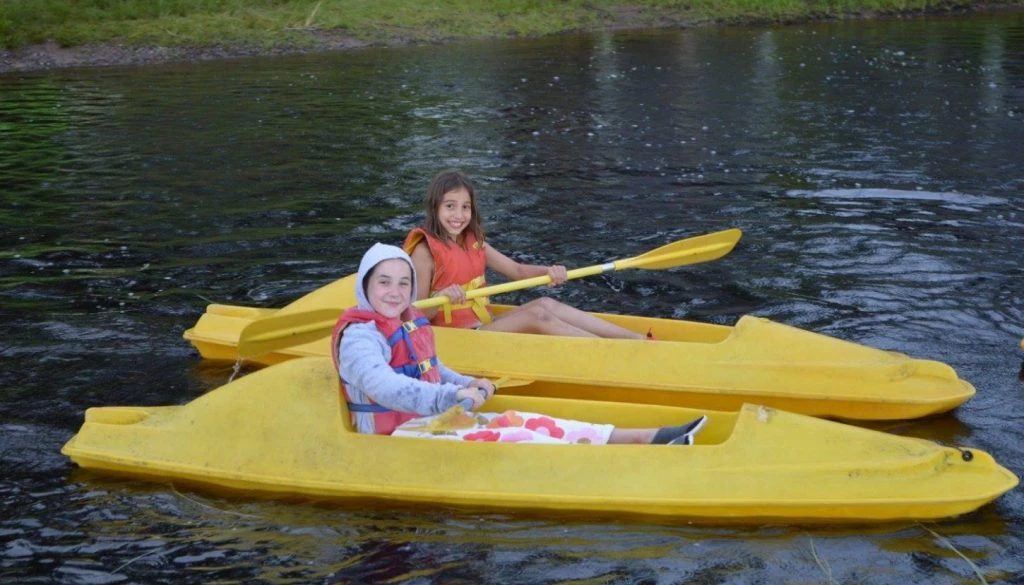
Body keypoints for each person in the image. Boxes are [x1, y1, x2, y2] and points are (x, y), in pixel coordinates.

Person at [332, 243, 707, 444]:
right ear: (365, 286)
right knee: (514, 434)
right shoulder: (360, 337)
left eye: (402, 283)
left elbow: (432, 368)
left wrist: (464, 383)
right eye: (384, 282)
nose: (395, 292)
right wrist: (450, 398)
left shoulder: (407, 320)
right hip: (395, 437)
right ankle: (638, 445)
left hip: (431, 420)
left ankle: (645, 437)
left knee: (526, 421)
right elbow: (386, 386)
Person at [403, 169, 648, 339]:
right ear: (435, 208)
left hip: (484, 325)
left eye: (465, 207)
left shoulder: (473, 242)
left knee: (546, 303)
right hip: (459, 338)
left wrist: (549, 271)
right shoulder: (424, 253)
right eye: (450, 206)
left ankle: (637, 339)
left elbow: (517, 271)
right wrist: (442, 295)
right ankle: (611, 351)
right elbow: (416, 314)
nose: (458, 215)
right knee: (537, 315)